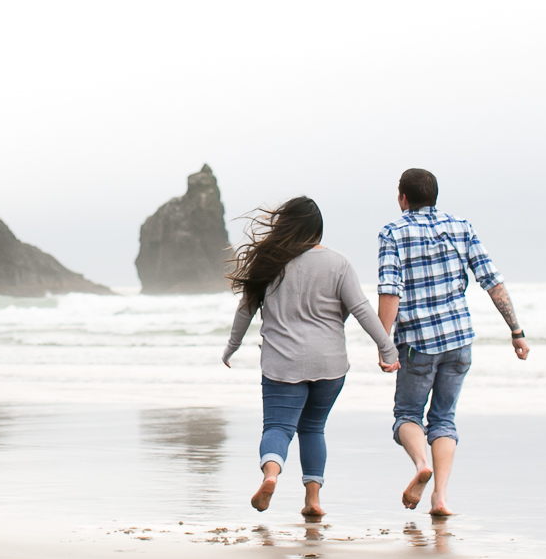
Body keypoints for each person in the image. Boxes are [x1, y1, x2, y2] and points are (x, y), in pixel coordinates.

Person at [223, 195, 399, 519]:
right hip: (330, 364)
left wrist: (231, 347)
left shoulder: (268, 261)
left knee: (277, 426)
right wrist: (387, 348)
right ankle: (312, 499)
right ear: (317, 229)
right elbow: (360, 309)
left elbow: (245, 309)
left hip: (281, 363)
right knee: (313, 428)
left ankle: (271, 475)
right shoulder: (339, 263)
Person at [378, 167, 529, 516]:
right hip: (459, 339)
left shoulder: (393, 232)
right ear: (435, 196)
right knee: (444, 419)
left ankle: (420, 466)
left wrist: (384, 342)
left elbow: (390, 289)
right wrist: (516, 331)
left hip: (418, 343)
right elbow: (492, 281)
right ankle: (441, 498)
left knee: (408, 415)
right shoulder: (461, 226)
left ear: (402, 198)